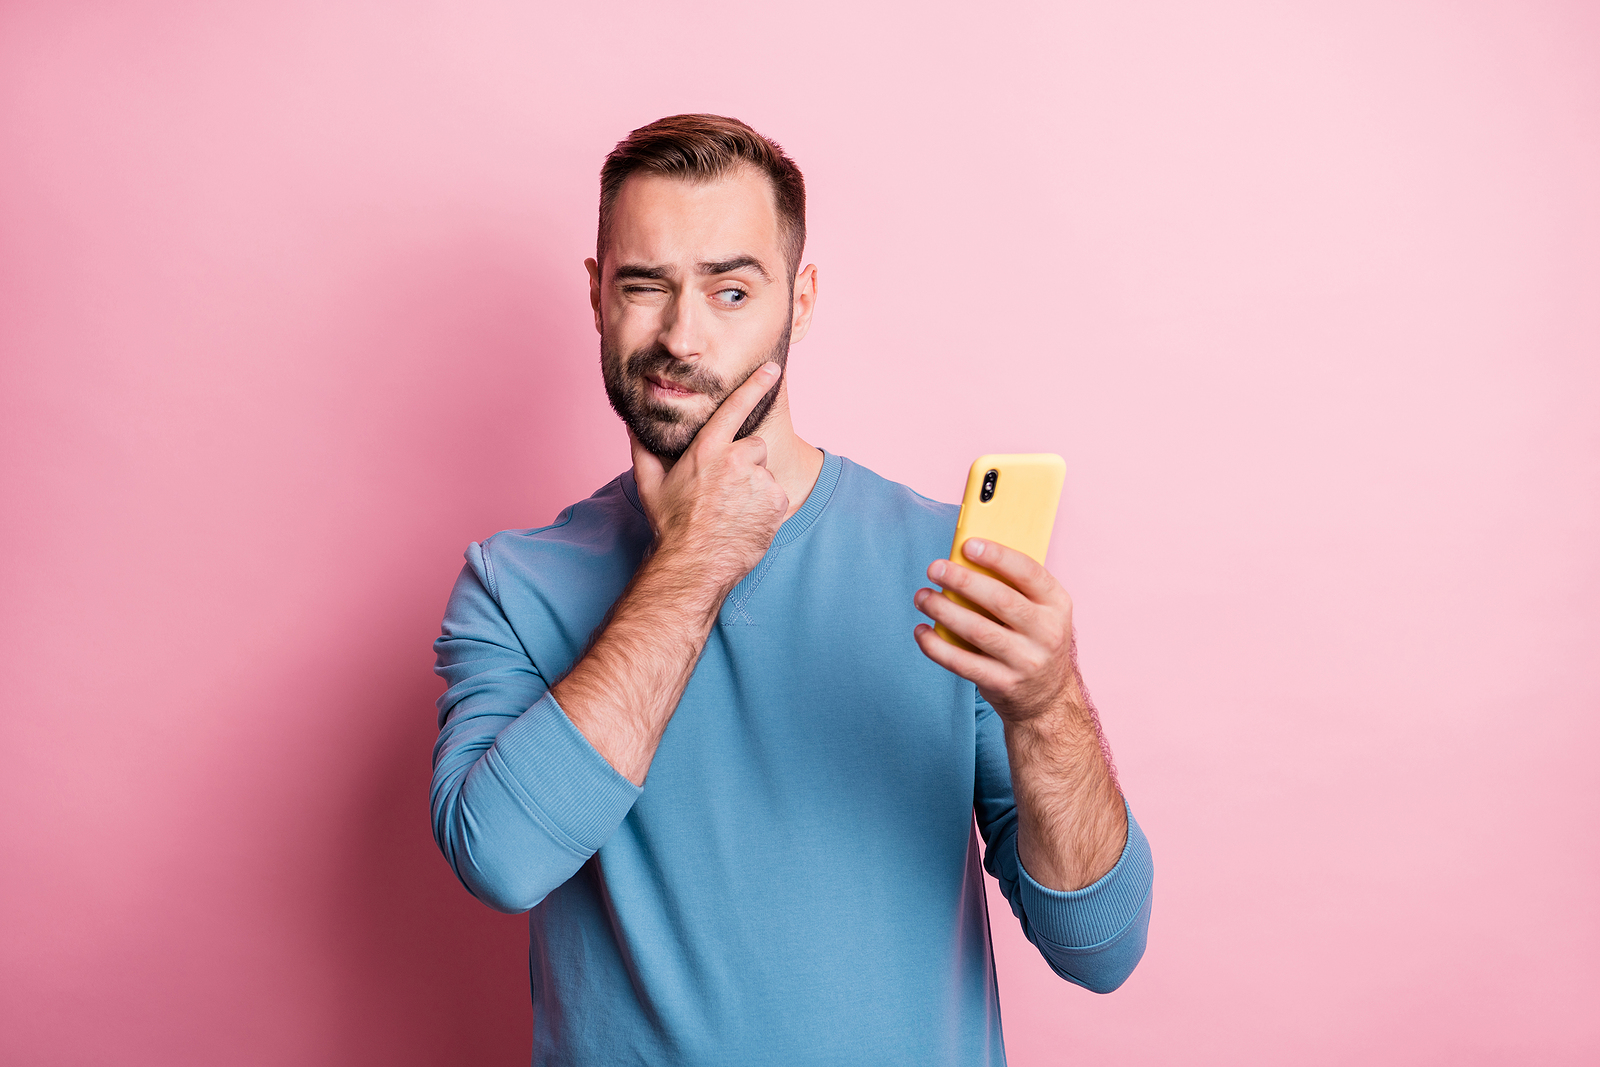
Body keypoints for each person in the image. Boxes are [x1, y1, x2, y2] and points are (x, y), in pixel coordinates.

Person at [431, 114, 1153, 1065]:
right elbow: (504, 859)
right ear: (597, 297)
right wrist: (693, 560)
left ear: (799, 302)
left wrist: (1048, 704)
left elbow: (1100, 947)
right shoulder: (513, 584)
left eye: (731, 291)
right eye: (645, 287)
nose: (683, 336)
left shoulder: (945, 562)